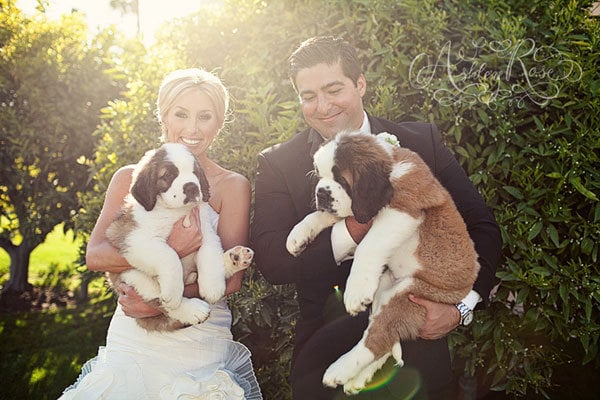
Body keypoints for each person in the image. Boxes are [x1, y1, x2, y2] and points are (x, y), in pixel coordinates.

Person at [251, 36, 502, 399]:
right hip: (325, 359)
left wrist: (461, 308)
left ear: (361, 84)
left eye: (334, 89)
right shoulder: (278, 163)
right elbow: (274, 262)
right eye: (308, 96)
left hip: (418, 356)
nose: (322, 106)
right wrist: (354, 229)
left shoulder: (421, 140)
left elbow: (482, 227)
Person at [60, 68, 262, 399]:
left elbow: (233, 280)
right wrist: (171, 249)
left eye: (205, 116)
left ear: (219, 123)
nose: (193, 128)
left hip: (199, 336)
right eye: (181, 114)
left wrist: (159, 305)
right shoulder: (129, 177)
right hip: (134, 337)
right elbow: (95, 256)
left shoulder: (231, 186)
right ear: (163, 115)